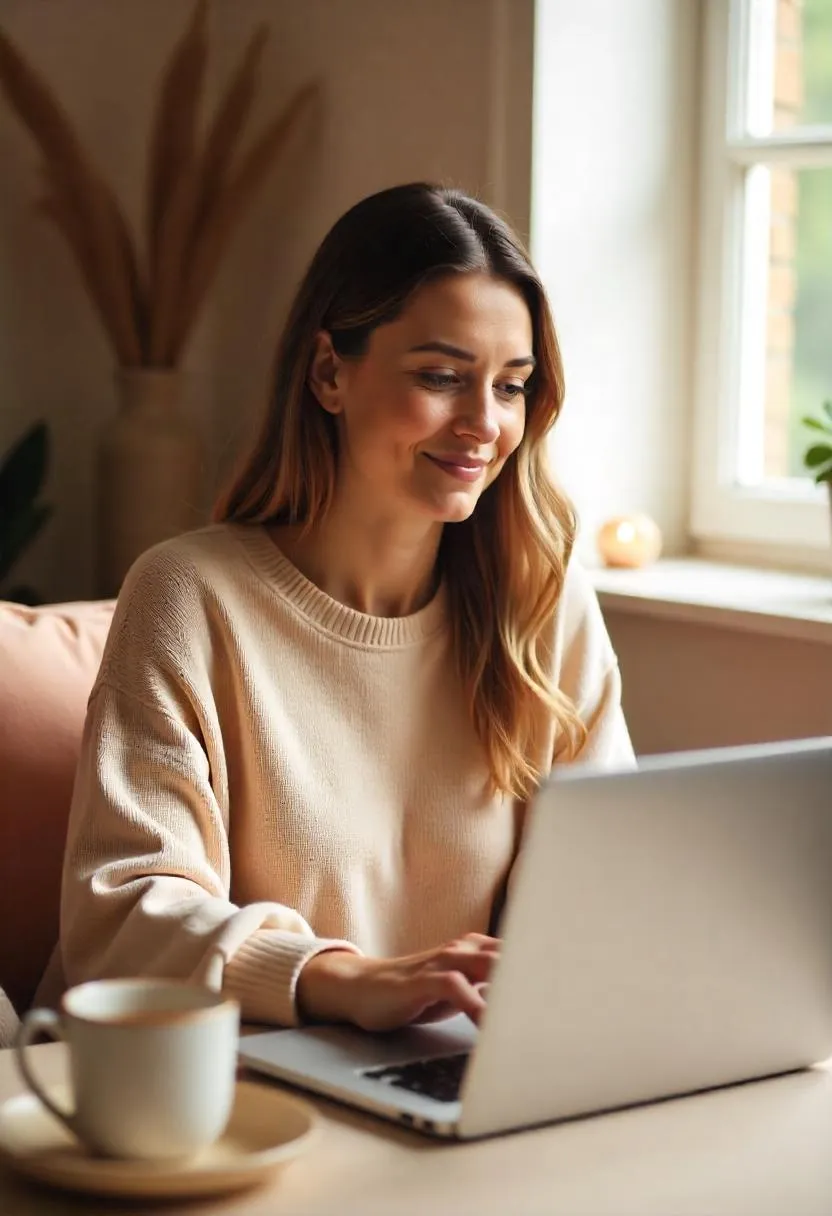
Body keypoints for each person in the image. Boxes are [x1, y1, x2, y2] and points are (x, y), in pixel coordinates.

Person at [59, 183, 635, 1033]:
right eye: (441, 377)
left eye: (510, 386)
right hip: (219, 1082)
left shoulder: (542, 607)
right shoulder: (190, 596)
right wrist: (341, 978)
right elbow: (124, 915)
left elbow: (613, 892)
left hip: (453, 1076)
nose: (484, 423)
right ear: (330, 373)